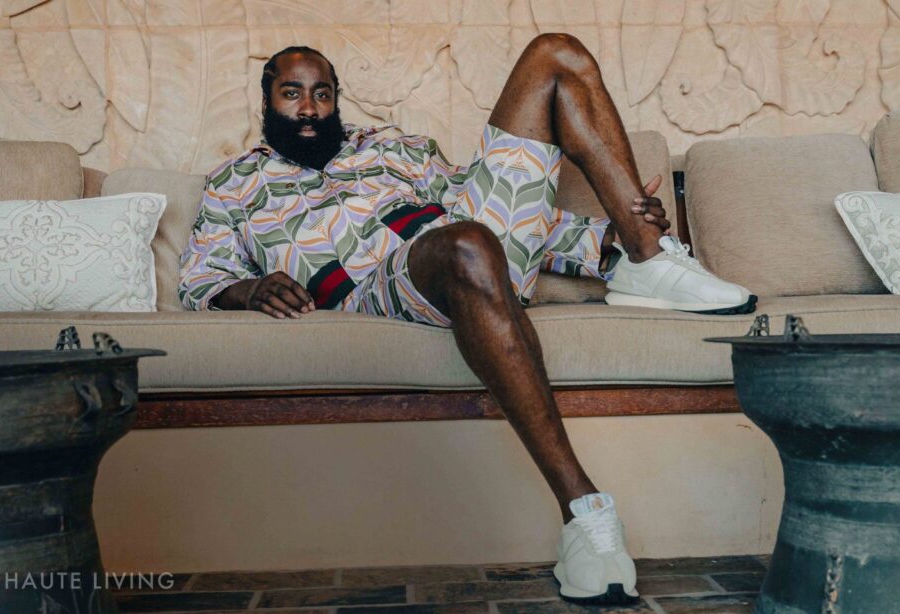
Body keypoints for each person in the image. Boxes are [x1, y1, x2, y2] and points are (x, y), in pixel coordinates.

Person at [179, 36, 755, 605]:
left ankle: (647, 256)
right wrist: (249, 289)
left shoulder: (396, 147)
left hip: (469, 250)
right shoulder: (234, 184)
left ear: (336, 100)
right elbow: (201, 276)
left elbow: (492, 207)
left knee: (555, 53)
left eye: (322, 93)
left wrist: (610, 238)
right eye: (292, 93)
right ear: (266, 100)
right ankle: (583, 510)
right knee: (466, 244)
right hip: (376, 289)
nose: (309, 108)